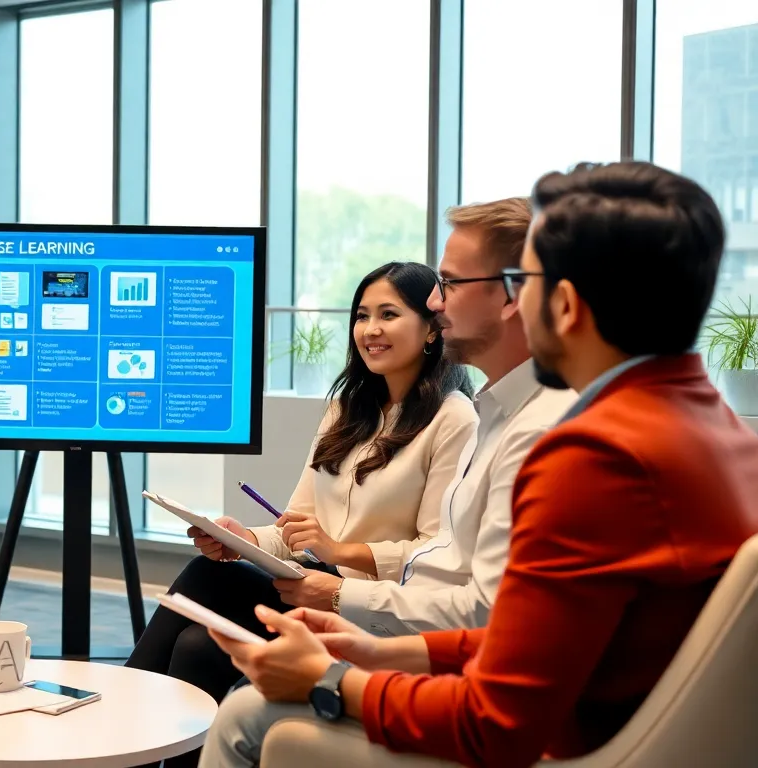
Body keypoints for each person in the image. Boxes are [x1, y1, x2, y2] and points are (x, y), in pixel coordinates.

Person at [201, 161, 758, 768]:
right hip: (577, 716)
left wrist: (329, 680)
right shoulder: (716, 429)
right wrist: (387, 653)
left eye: (524, 281)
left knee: (247, 713)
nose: (435, 302)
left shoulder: (592, 458)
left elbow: (495, 721)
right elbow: (531, 637)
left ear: (563, 304)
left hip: (548, 746)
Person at [126, 262, 477, 733]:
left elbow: (436, 552)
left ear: (431, 330)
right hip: (309, 581)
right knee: (198, 638)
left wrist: (339, 552)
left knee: (203, 594)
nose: (370, 329)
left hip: (370, 606)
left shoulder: (454, 418)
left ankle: (116, 731)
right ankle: (131, 743)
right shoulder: (346, 407)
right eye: (362, 315)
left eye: (389, 315)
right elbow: (296, 524)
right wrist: (245, 539)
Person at [323, 198, 578, 636]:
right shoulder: (495, 412)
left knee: (238, 672)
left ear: (513, 296)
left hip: (432, 645)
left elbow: (488, 615)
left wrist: (339, 597)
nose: (434, 301)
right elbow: (440, 564)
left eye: (450, 283)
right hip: (408, 629)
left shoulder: (537, 430)